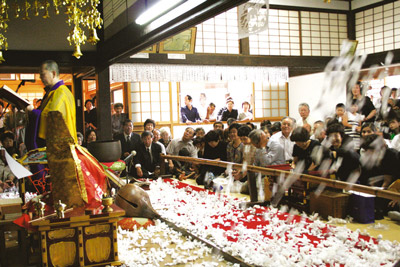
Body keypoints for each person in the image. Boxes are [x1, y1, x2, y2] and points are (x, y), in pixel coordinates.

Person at [37, 60, 106, 207]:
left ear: (54, 73)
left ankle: (70, 211)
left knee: (68, 185)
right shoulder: (56, 92)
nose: (41, 78)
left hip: (63, 148)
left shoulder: (61, 92)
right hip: (59, 148)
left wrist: (33, 113)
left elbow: (52, 116)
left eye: (43, 74)